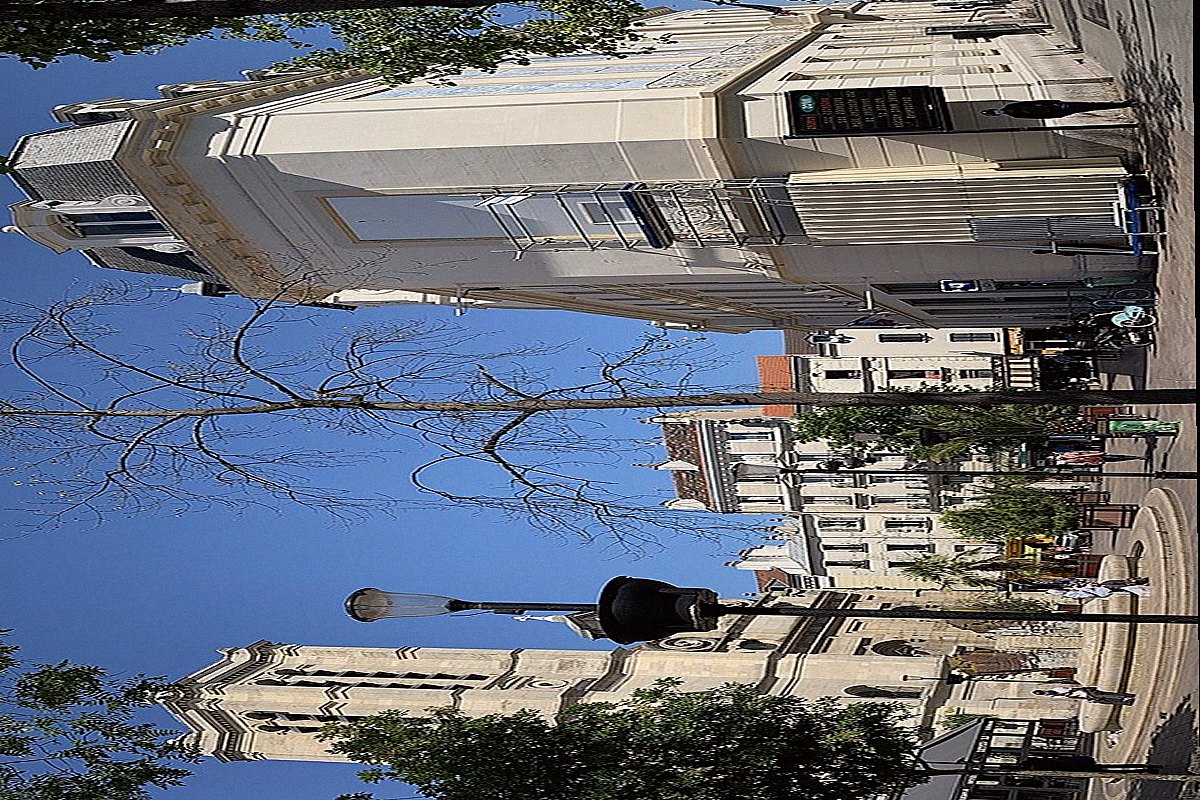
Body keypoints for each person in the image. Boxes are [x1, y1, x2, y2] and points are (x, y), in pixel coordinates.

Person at [980, 99, 1138, 119]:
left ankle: (1122, 104)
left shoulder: (1011, 107)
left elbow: (1034, 102)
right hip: (1057, 110)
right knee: (1087, 106)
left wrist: (1053, 102)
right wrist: (1057, 114)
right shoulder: (1015, 115)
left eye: (994, 110)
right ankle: (1122, 104)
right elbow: (1037, 117)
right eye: (995, 114)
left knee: (1089, 105)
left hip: (1055, 106)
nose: (997, 112)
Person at [1019, 754, 1161, 773]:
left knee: (1113, 770)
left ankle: (1143, 770)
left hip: (1079, 769)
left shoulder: (1040, 767)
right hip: (1079, 767)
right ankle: (1145, 768)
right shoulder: (1041, 761)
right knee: (1114, 768)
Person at [1032, 686, 1137, 705]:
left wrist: (1067, 693)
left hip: (1085, 692)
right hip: (1083, 696)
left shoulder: (1056, 690)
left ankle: (1126, 696)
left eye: (1042, 692)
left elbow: (1072, 689)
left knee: (1104, 695)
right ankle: (1126, 702)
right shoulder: (1055, 697)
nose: (1045, 694)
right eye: (1042, 694)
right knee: (1104, 701)